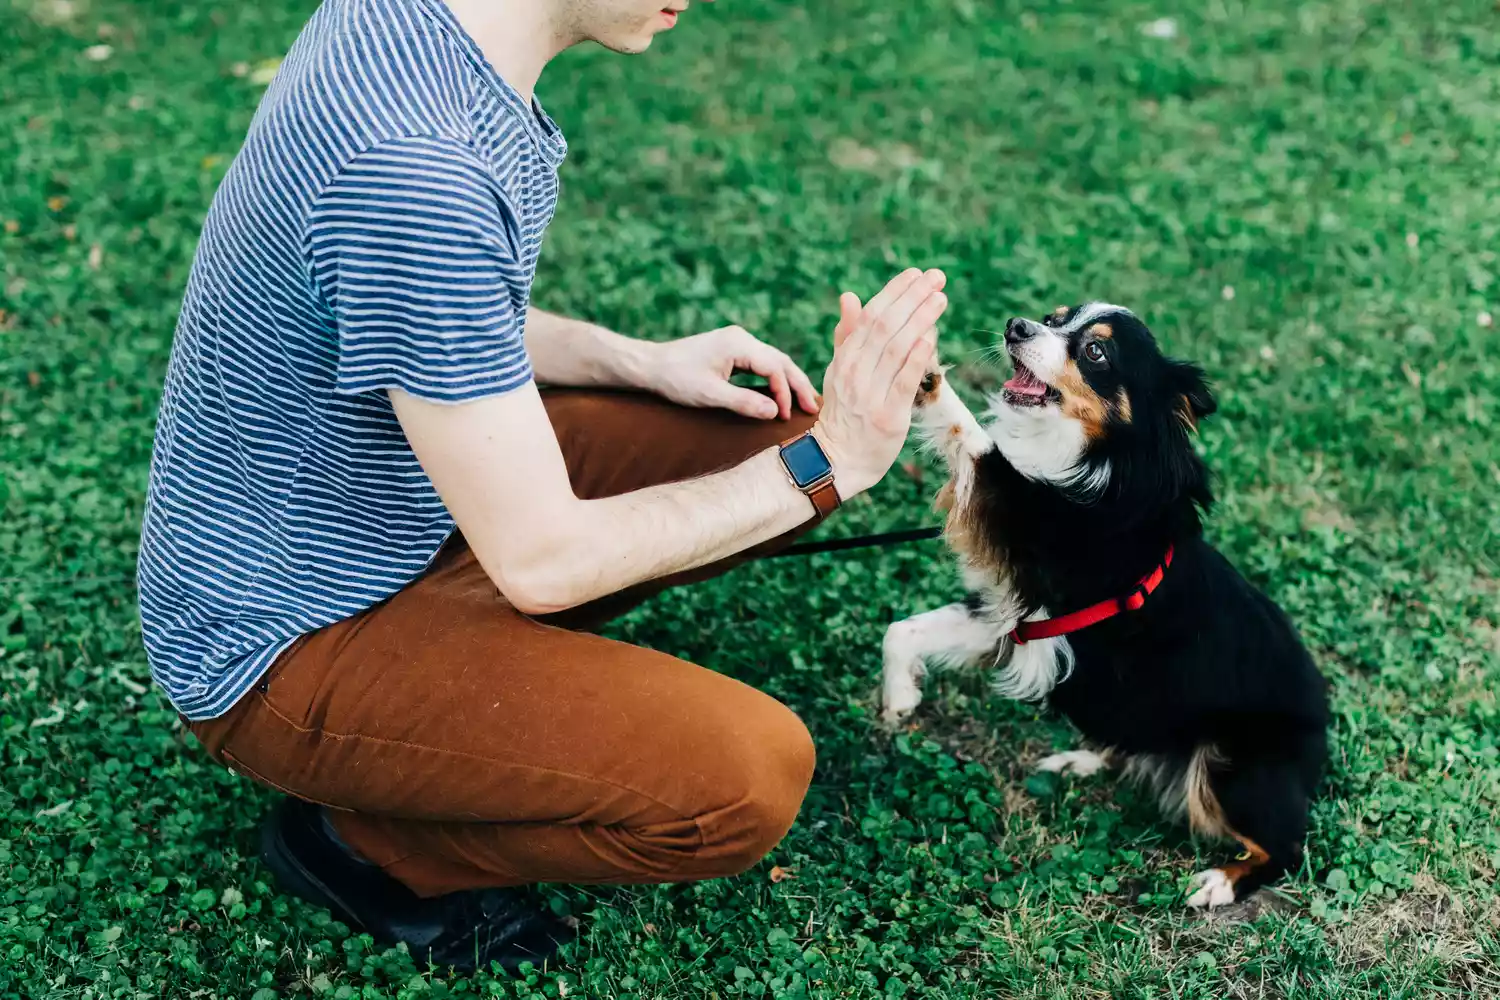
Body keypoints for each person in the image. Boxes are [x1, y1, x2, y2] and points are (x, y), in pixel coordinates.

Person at [137, 0, 947, 972]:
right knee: (746, 777)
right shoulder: (416, 163)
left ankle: (469, 674)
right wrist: (833, 466)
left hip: (392, 497)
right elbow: (542, 559)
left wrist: (631, 360)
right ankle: (364, 845)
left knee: (767, 440)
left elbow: (425, 309)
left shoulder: (421, 30)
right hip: (282, 638)